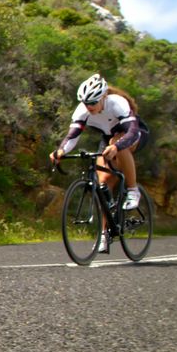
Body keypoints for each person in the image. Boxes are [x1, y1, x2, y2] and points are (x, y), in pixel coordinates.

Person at [49, 73, 149, 252]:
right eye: (86, 103)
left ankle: (133, 190)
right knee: (102, 184)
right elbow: (72, 136)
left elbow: (132, 132)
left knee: (115, 144)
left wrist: (118, 147)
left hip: (133, 135)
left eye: (93, 103)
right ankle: (104, 234)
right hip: (109, 138)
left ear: (103, 97)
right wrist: (61, 151)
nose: (89, 107)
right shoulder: (82, 110)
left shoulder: (117, 103)